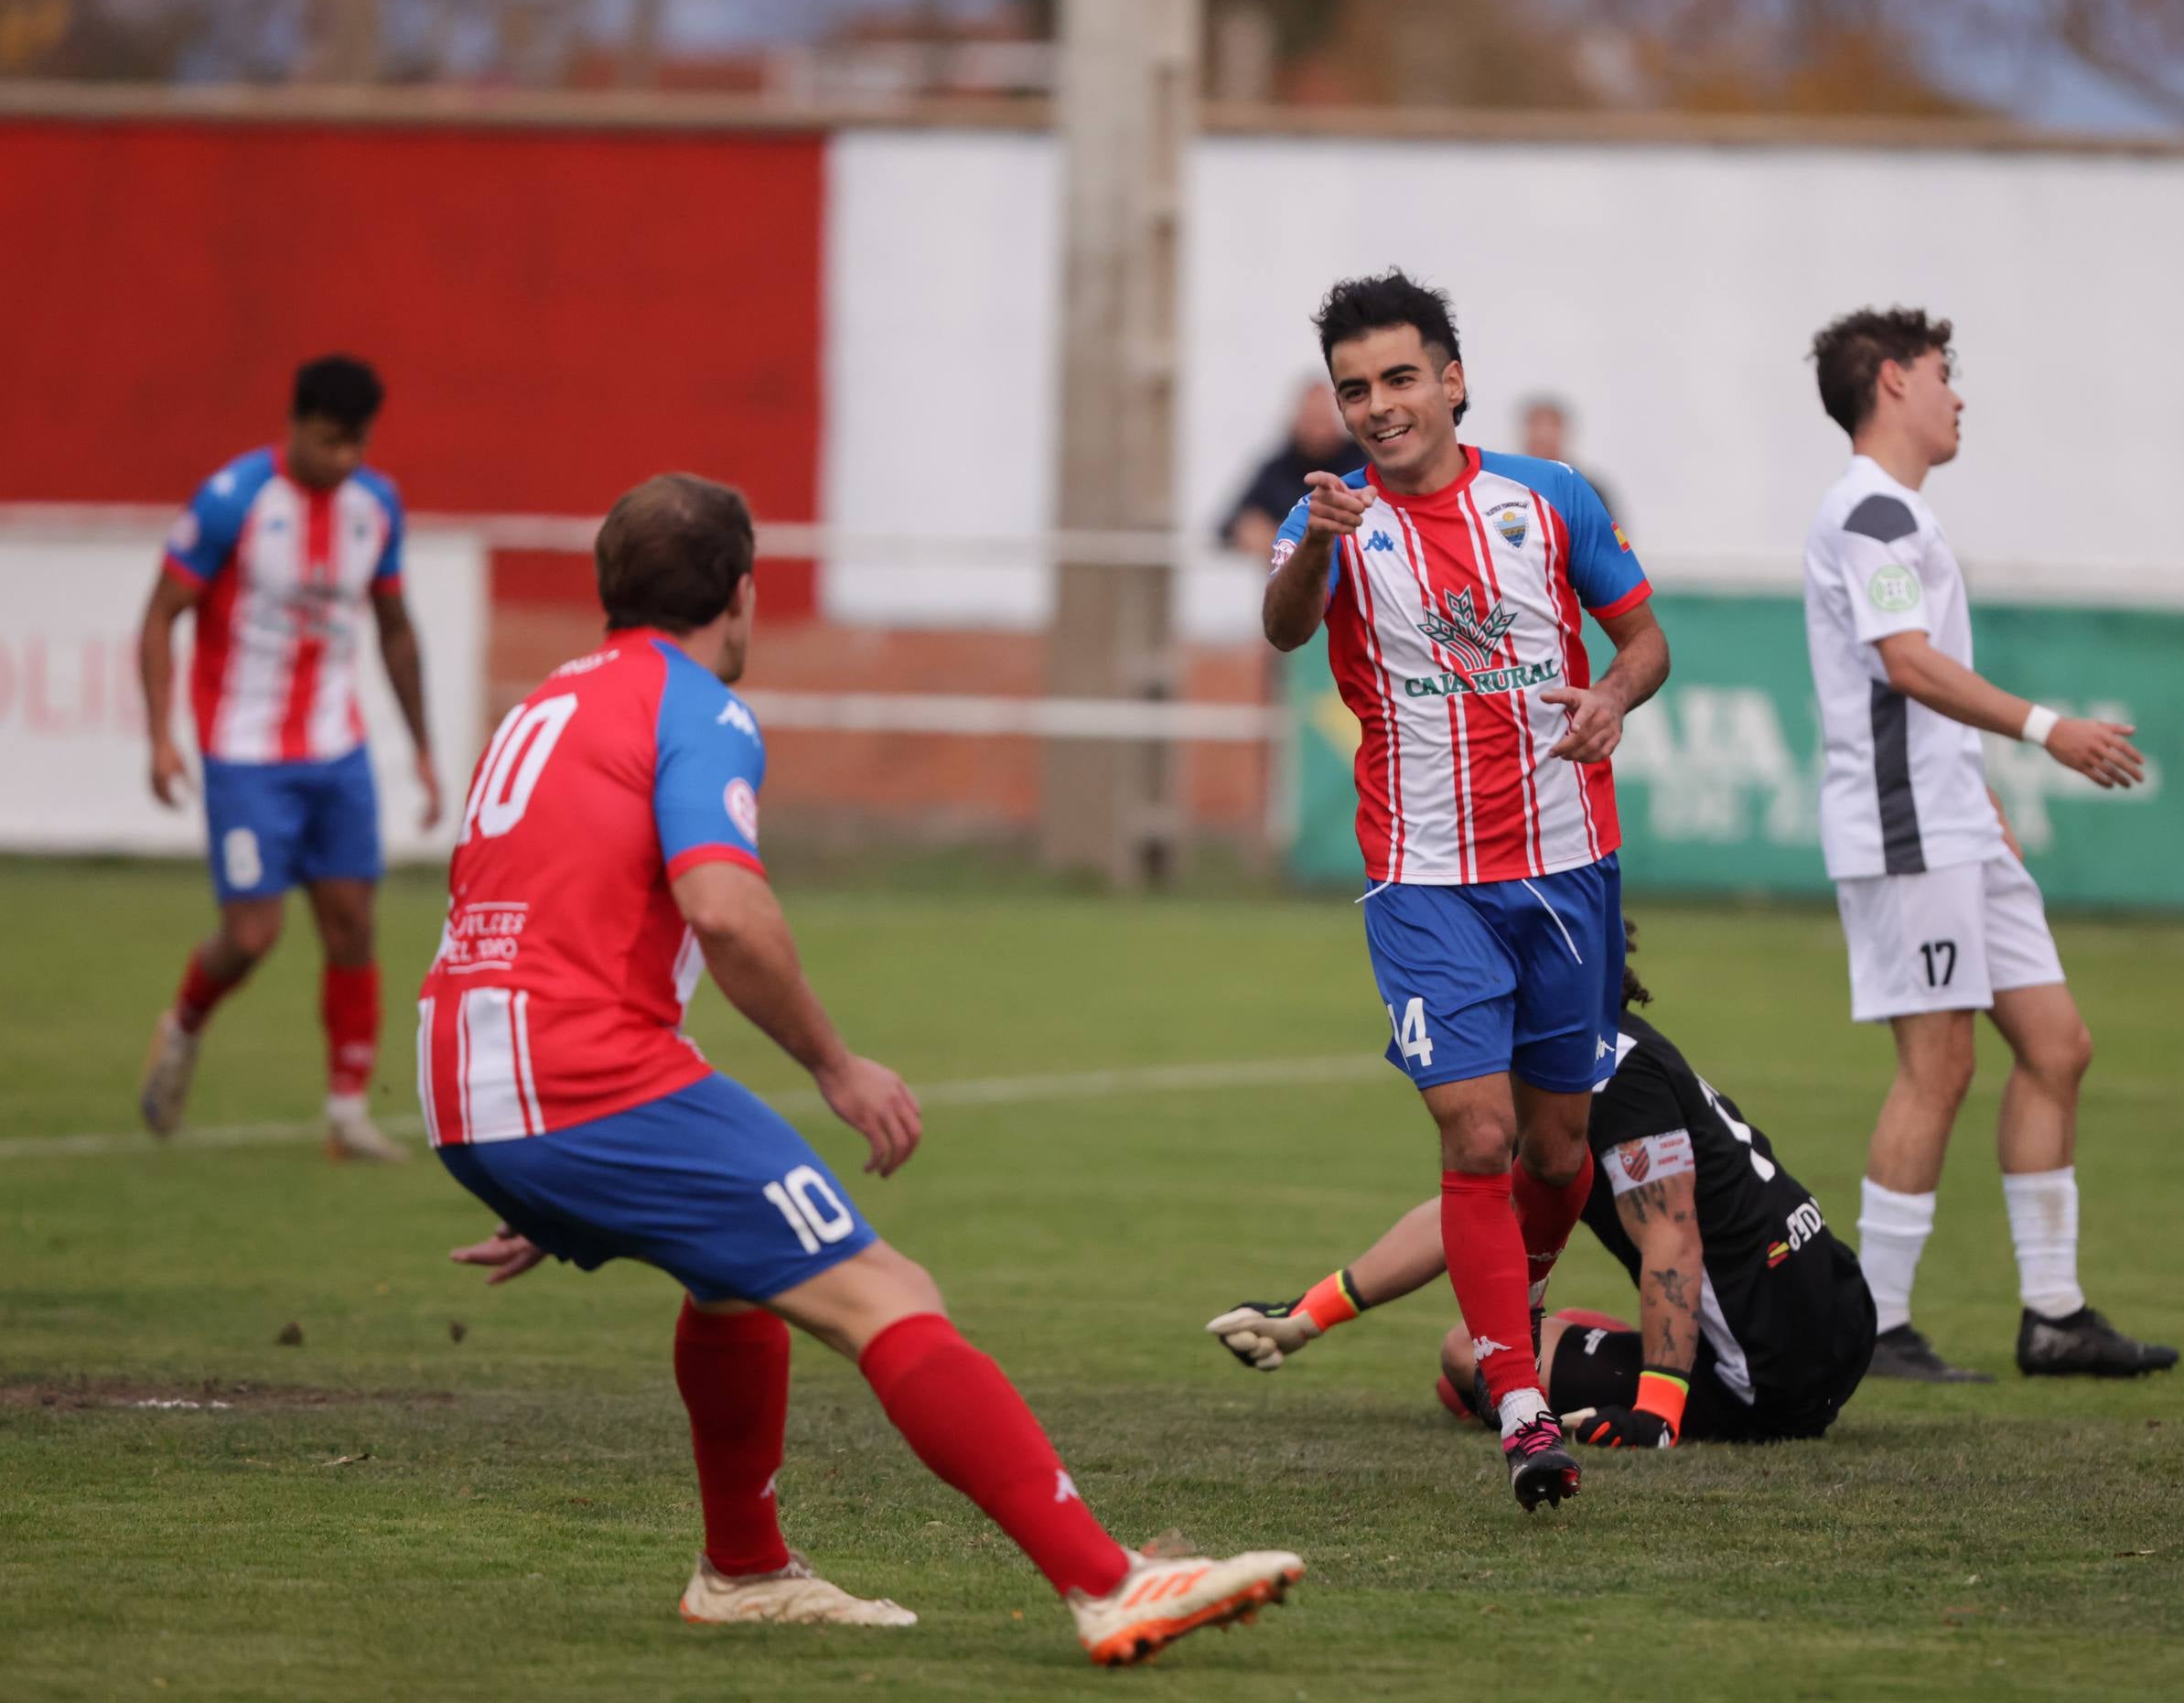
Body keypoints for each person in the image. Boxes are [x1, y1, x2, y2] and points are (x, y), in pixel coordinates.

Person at [424, 475, 1302, 1662]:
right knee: (888, 1293)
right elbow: (725, 912)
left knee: (732, 1275)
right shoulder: (696, 708)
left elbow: (514, 910)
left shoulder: (547, 703)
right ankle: (1110, 1583)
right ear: (742, 595)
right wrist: (837, 1066)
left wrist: (537, 1156)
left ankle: (743, 1570)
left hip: (482, 1081)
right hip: (571, 1079)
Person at [1261, 269, 1671, 1510]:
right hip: (1425, 879)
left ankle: (1513, 1307)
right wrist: (1312, 552)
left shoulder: (1548, 500)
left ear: (1451, 380)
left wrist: (1611, 696)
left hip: (1566, 870)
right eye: (1353, 389)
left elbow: (1646, 639)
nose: (1378, 406)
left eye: (1398, 379)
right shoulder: (1328, 515)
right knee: (1477, 1133)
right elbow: (1283, 629)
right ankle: (1522, 1402)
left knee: (1555, 1147)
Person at [1799, 307, 2177, 1385]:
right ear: (1890, 382)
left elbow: (1916, 682)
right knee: (1940, 1063)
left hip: (1955, 821)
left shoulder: (1898, 512)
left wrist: (1983, 798)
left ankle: (2054, 1317)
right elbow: (1907, 664)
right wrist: (2050, 731)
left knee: (2057, 1046)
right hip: (1906, 829)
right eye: (1943, 373)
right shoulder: (1867, 510)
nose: (1958, 394)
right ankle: (1872, 1327)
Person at [1207, 938, 1874, 1447]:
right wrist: (1309, 1314)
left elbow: (1673, 1233)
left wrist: (1658, 1415)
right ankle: (1646, 1367)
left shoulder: (1606, 1076)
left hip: (1768, 1369)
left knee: (1466, 1361)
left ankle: (1675, 1385)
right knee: (1508, 1338)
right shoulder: (1595, 1053)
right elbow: (1473, 1214)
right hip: (1837, 1307)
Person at [136, 355, 436, 1163]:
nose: (345, 460)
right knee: (255, 932)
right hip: (245, 752)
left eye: (358, 445)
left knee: (353, 923)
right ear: (296, 425)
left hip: (337, 750)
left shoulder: (376, 507)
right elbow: (161, 615)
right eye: (332, 442)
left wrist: (425, 751)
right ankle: (185, 1023)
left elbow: (396, 628)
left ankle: (347, 1113)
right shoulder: (235, 500)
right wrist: (162, 736)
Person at [1219, 378, 1366, 555]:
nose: (1317, 430)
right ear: (1296, 420)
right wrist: (1249, 529)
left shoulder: (1363, 461)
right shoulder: (1275, 471)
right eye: (1311, 418)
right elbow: (1228, 525)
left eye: (1322, 419)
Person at [1516, 396, 1623, 528]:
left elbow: (1610, 542)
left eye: (1550, 427)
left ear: (1564, 434)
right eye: (1536, 426)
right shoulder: (1508, 486)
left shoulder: (1587, 490)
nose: (1542, 435)